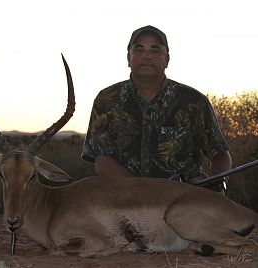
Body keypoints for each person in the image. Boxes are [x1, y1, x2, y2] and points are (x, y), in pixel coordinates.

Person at [81, 25, 232, 191]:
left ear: (167, 59)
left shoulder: (194, 101)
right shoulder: (106, 99)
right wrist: (146, 192)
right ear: (128, 58)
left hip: (183, 202)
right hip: (124, 201)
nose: (146, 55)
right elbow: (102, 162)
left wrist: (217, 186)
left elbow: (220, 155)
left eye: (155, 50)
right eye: (139, 49)